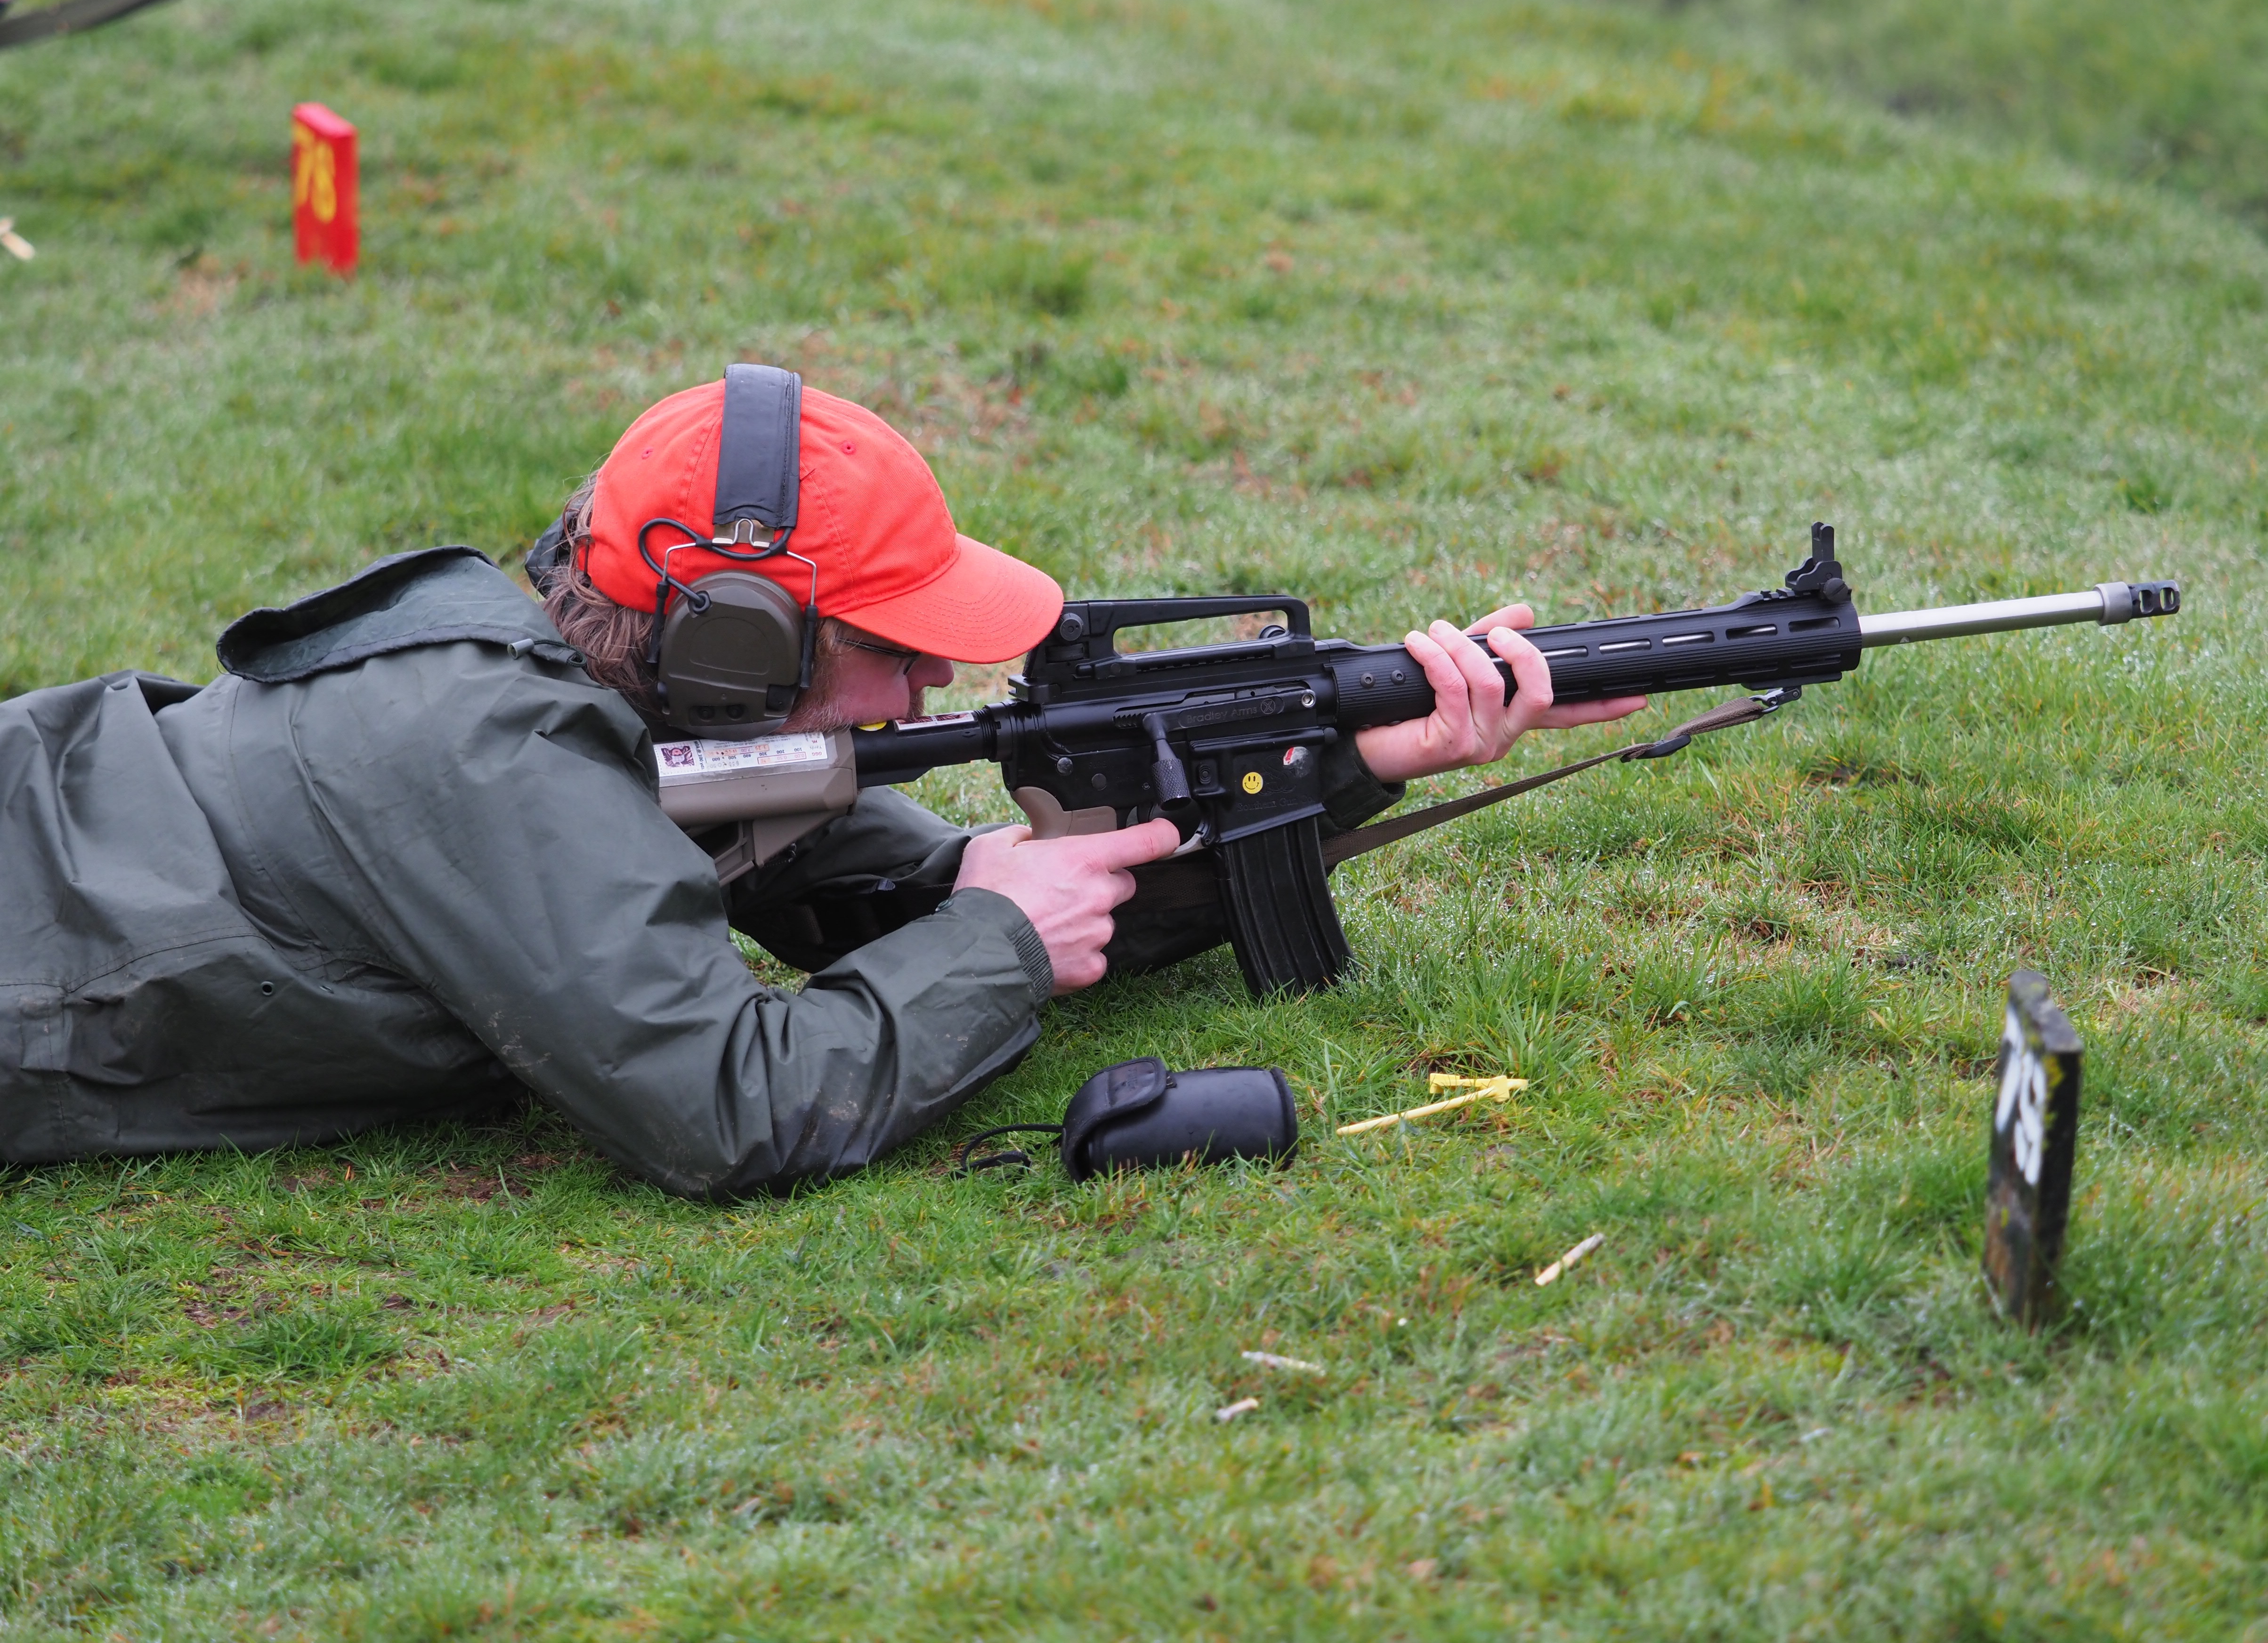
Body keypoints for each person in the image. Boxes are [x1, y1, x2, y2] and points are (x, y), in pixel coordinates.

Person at [0, 375, 1639, 1196]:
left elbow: (921, 907)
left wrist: (1351, 765)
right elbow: (734, 1104)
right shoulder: (490, 757)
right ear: (738, 644)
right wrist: (996, 938)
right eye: (894, 645)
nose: (931, 685)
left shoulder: (637, 707)